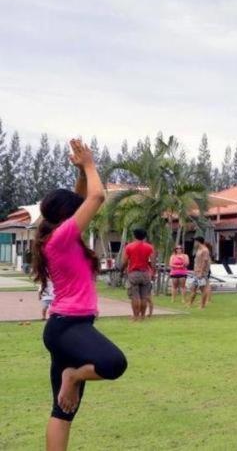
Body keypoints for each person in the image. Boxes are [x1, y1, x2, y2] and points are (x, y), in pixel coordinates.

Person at [31, 139, 127, 450]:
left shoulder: (59, 236)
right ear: (66, 217)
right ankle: (72, 376)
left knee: (63, 411)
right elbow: (97, 196)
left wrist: (81, 174)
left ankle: (71, 380)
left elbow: (85, 195)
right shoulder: (61, 238)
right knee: (114, 363)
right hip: (69, 328)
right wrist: (89, 164)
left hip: (66, 326)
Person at [122, 228, 155, 321]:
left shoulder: (129, 247)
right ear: (144, 236)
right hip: (145, 273)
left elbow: (125, 261)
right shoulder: (149, 247)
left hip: (134, 273)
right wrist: (153, 273)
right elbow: (152, 262)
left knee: (135, 296)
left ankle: (135, 316)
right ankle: (143, 316)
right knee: (144, 296)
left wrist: (122, 270)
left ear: (134, 235)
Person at [188, 237, 212, 309]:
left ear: (198, 242)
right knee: (193, 288)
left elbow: (205, 262)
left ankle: (202, 306)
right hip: (196, 272)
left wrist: (201, 272)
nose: (194, 244)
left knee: (202, 289)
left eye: (195, 242)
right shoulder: (199, 250)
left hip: (201, 272)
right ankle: (190, 304)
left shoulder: (205, 250)